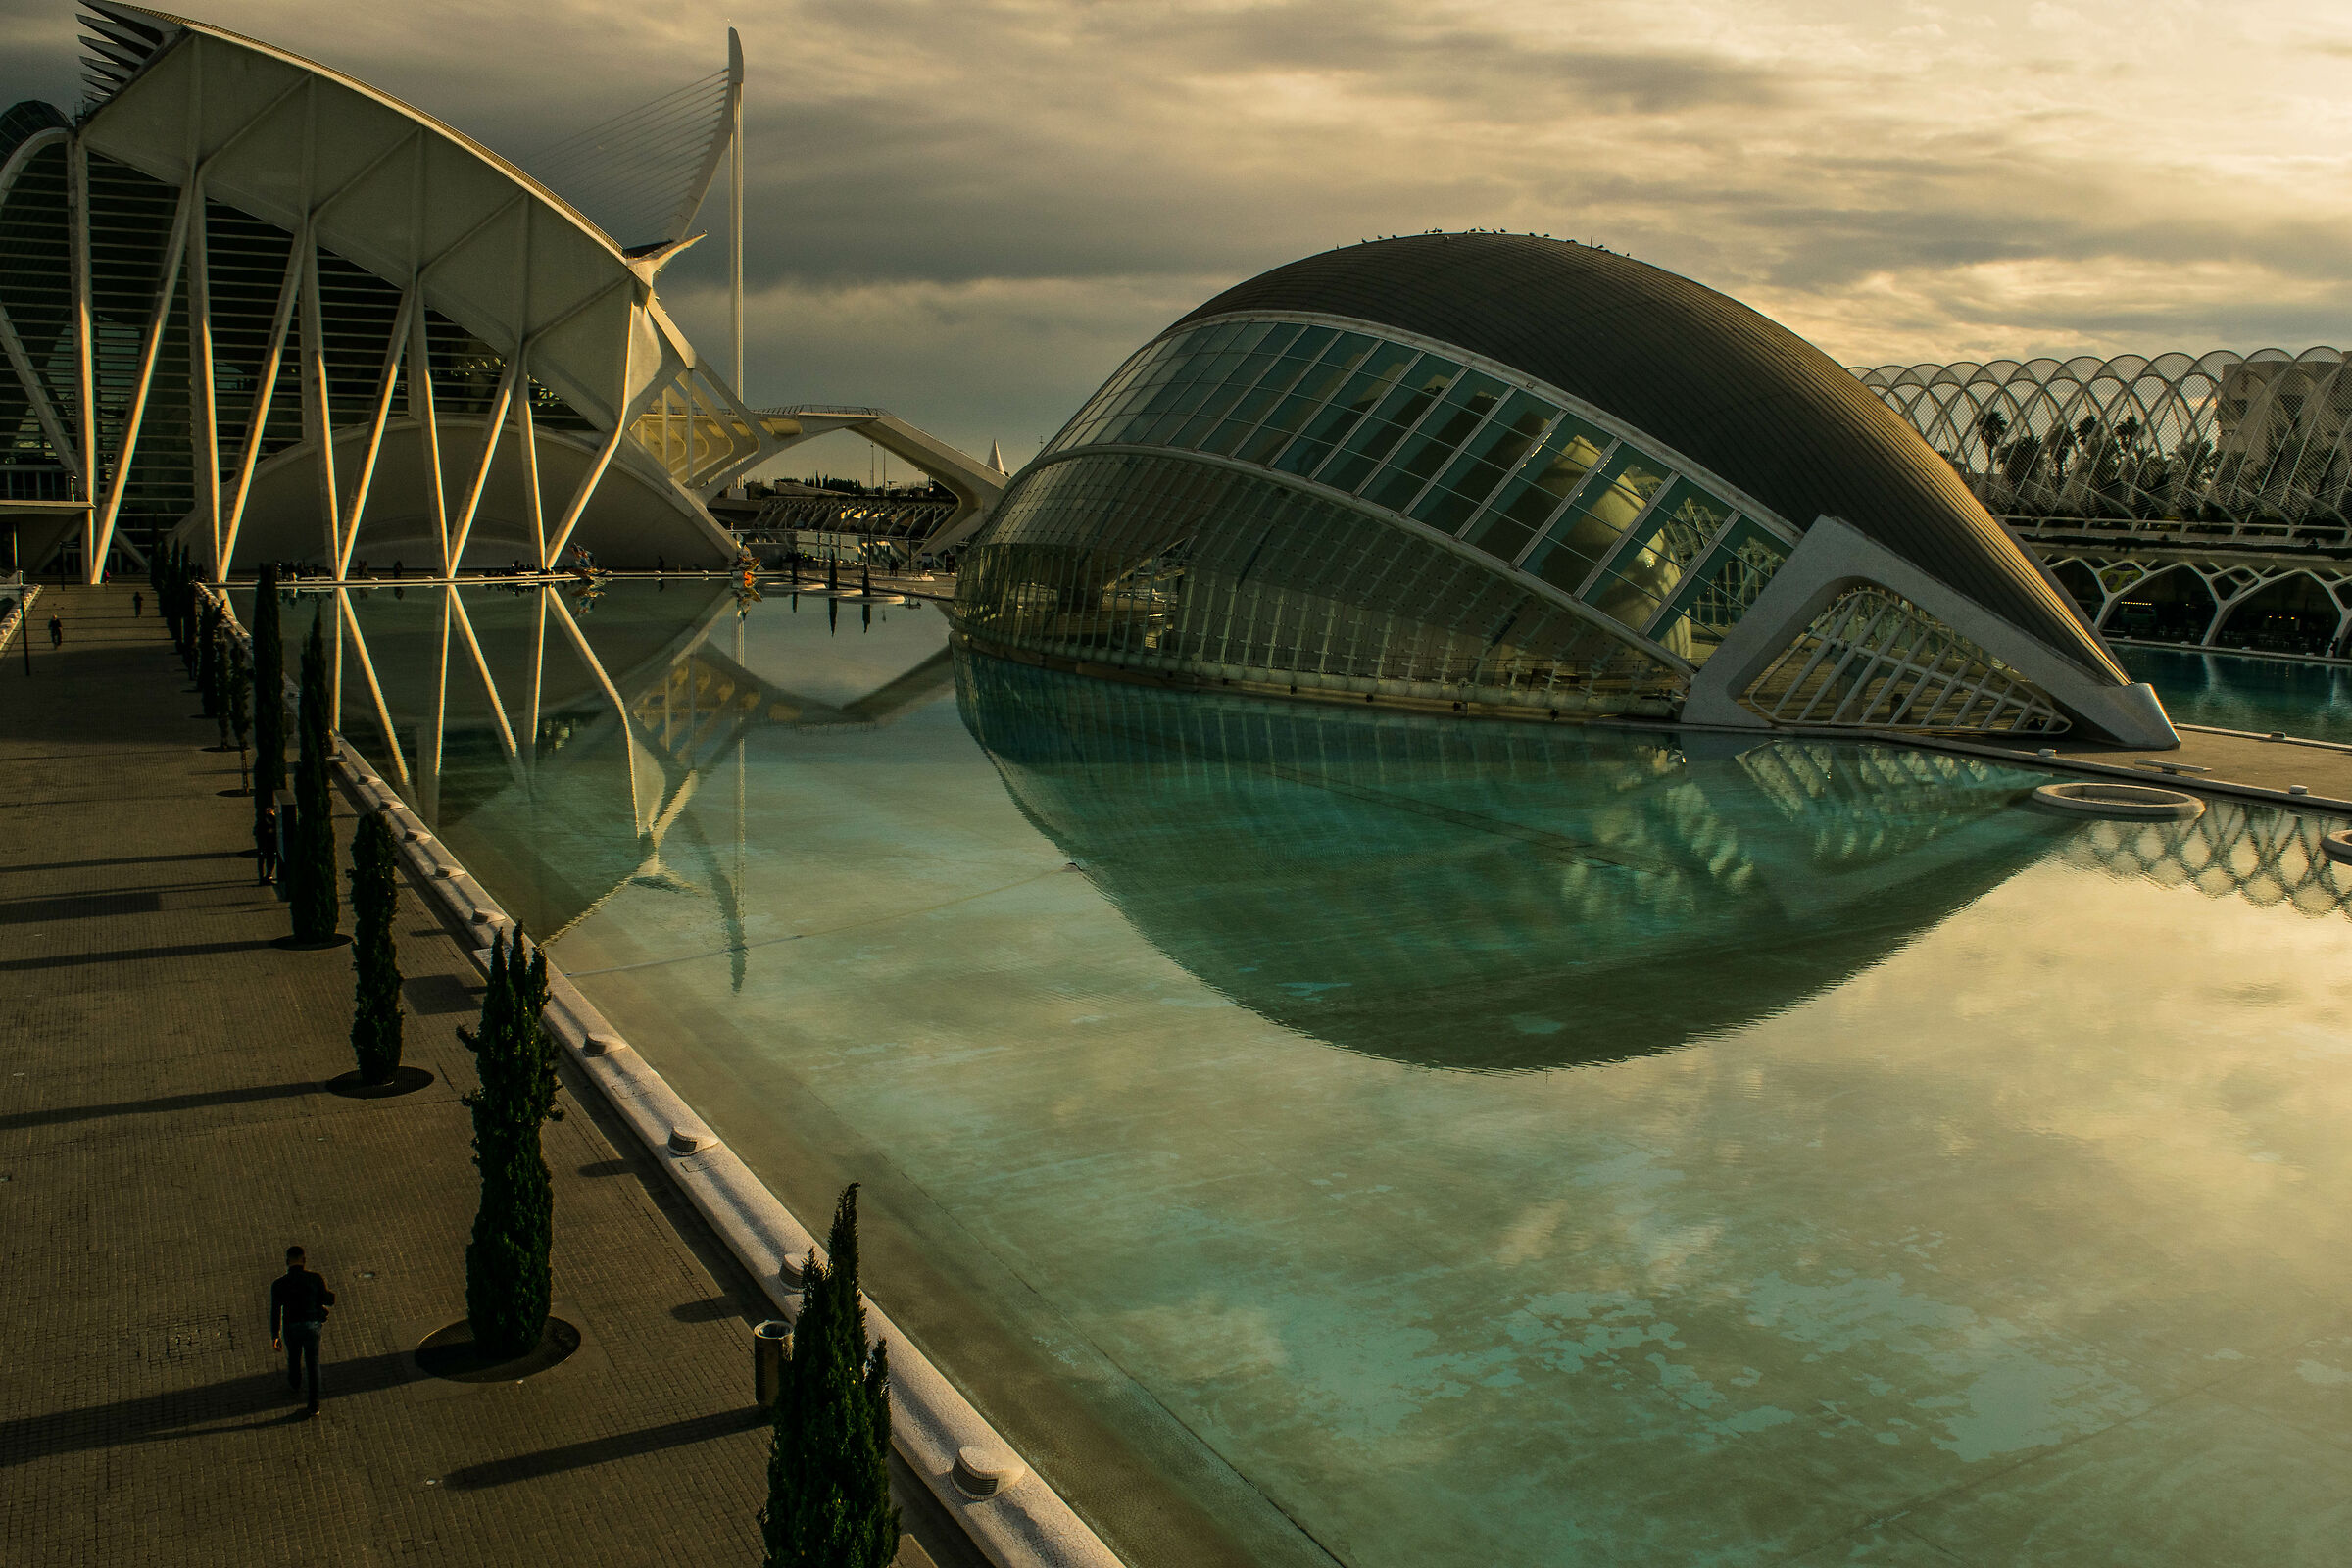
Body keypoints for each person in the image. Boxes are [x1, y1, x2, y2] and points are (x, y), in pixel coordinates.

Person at [269, 1246, 336, 1415]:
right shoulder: (314, 1279)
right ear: (304, 1261)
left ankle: (295, 1382)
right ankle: (314, 1405)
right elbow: (327, 1299)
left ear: (286, 1262)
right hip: (312, 1326)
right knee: (313, 1363)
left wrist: (275, 1334)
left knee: (294, 1356)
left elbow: (276, 1310)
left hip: (292, 1327)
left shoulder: (279, 1284)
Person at [256, 798, 279, 885]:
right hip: (266, 845)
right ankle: (263, 878)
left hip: (269, 845)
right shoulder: (266, 821)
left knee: (269, 861)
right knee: (265, 861)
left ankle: (267, 876)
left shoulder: (272, 820)